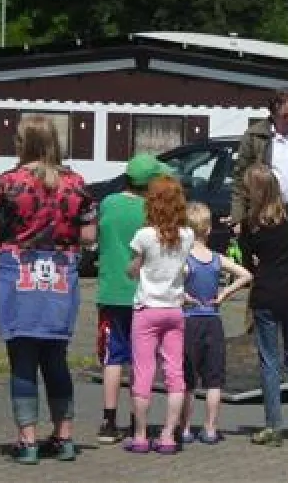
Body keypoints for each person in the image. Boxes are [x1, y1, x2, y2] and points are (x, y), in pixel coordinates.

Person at [0, 115, 97, 465]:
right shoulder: (75, 183)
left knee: (23, 358)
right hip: (60, 274)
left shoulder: (8, 182)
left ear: (22, 142)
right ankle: (65, 438)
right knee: (56, 358)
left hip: (18, 273)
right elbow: (89, 236)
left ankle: (27, 441)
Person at [95, 152, 173, 444]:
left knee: (112, 357)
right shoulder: (150, 211)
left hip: (110, 290)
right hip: (145, 294)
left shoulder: (107, 203)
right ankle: (135, 419)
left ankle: (108, 420)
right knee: (142, 359)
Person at [123, 176, 194, 455]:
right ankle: (168, 435)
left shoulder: (144, 236)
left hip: (147, 309)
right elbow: (181, 268)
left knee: (143, 373)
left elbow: (134, 268)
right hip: (174, 309)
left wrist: (133, 269)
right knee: (174, 374)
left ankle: (140, 435)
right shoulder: (186, 235)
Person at [177, 202, 253, 445]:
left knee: (187, 380)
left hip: (189, 321)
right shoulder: (217, 259)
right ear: (208, 230)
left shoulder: (184, 261)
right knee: (214, 380)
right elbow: (246, 274)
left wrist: (183, 296)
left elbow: (170, 284)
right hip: (213, 320)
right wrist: (223, 294)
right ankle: (210, 428)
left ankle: (185, 428)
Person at [240, 163, 288, 446]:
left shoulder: (251, 223)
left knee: (269, 361)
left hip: (265, 291)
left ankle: (274, 426)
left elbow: (246, 260)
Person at [229, 87, 288, 234]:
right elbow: (239, 179)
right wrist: (238, 217)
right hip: (265, 214)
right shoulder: (254, 136)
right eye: (287, 115)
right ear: (275, 112)